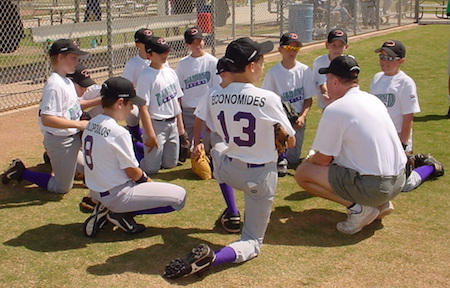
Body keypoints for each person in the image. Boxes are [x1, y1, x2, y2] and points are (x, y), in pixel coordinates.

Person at [164, 37, 296, 279]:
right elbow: (290, 141)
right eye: (261, 61)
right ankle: (214, 258)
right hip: (260, 175)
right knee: (252, 241)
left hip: (228, 169)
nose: (263, 65)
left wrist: (198, 145)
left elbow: (213, 128)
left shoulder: (214, 94)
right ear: (251, 67)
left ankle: (232, 211)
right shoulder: (268, 98)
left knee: (218, 148)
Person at [295, 55, 407, 235]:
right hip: (399, 181)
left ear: (336, 82)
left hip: (377, 186)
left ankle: (359, 209)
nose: (327, 83)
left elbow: (323, 160)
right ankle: (380, 203)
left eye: (328, 78)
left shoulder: (336, 109)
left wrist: (309, 160)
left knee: (303, 173)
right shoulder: (372, 100)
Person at [82, 77, 186, 236]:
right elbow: (133, 172)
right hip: (117, 195)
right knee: (179, 198)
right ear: (119, 103)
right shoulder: (118, 132)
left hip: (96, 190)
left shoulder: (92, 123)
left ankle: (108, 208)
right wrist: (147, 182)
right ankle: (118, 213)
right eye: (130, 103)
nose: (131, 108)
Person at [2, 39, 90, 194]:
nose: (77, 61)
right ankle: (21, 171)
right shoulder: (54, 84)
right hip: (61, 141)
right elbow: (47, 118)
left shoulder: (67, 81)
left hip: (72, 138)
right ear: (61, 57)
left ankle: (57, 162)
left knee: (92, 172)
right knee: (62, 188)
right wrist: (79, 125)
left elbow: (69, 108)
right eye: (73, 57)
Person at [370, 39, 444, 191]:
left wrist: (403, 145)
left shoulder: (405, 82)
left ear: (401, 61)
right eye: (382, 57)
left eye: (390, 58)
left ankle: (430, 166)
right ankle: (414, 162)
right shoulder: (376, 78)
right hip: (380, 136)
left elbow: (408, 117)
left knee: (402, 185)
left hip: (398, 135)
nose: (384, 61)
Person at [193, 57, 241, 233]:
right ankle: (234, 211)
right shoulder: (213, 93)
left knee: (229, 174)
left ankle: (234, 211)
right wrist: (196, 142)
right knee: (223, 173)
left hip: (237, 140)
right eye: (231, 71)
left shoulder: (216, 92)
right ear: (221, 74)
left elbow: (200, 117)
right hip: (220, 139)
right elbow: (199, 117)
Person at [262, 32, 314, 176]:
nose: (293, 51)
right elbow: (266, 99)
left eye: (296, 48)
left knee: (293, 159)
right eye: (289, 48)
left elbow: (308, 99)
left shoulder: (304, 71)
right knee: (278, 156)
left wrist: (302, 116)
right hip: (279, 120)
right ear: (280, 50)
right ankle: (279, 157)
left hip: (297, 119)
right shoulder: (273, 73)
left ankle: (284, 158)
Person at [136, 36, 188, 175]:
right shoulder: (145, 76)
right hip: (156, 124)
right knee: (152, 169)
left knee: (171, 164)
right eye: (160, 52)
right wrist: (151, 135)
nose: (164, 55)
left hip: (172, 124)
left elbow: (176, 100)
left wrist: (181, 128)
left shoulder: (170, 72)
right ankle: (135, 156)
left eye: (166, 51)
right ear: (149, 55)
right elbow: (143, 108)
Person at [176, 27, 221, 149]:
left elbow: (216, 89)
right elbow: (179, 89)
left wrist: (212, 111)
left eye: (199, 41)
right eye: (193, 43)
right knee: (185, 145)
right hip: (188, 109)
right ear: (187, 45)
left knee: (207, 144)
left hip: (206, 108)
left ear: (203, 41)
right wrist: (179, 110)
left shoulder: (212, 62)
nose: (197, 45)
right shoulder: (182, 63)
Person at [122, 28, 155, 143]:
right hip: (139, 99)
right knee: (133, 112)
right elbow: (127, 86)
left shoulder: (158, 59)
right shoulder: (132, 64)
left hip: (156, 97)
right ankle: (135, 135)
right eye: (145, 42)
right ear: (137, 44)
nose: (149, 45)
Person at [312, 29, 349, 109]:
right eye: (334, 45)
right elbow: (322, 84)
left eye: (340, 46)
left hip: (345, 105)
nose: (337, 49)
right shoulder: (319, 62)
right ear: (327, 45)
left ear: (346, 47)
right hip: (328, 106)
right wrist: (330, 96)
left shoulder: (349, 62)